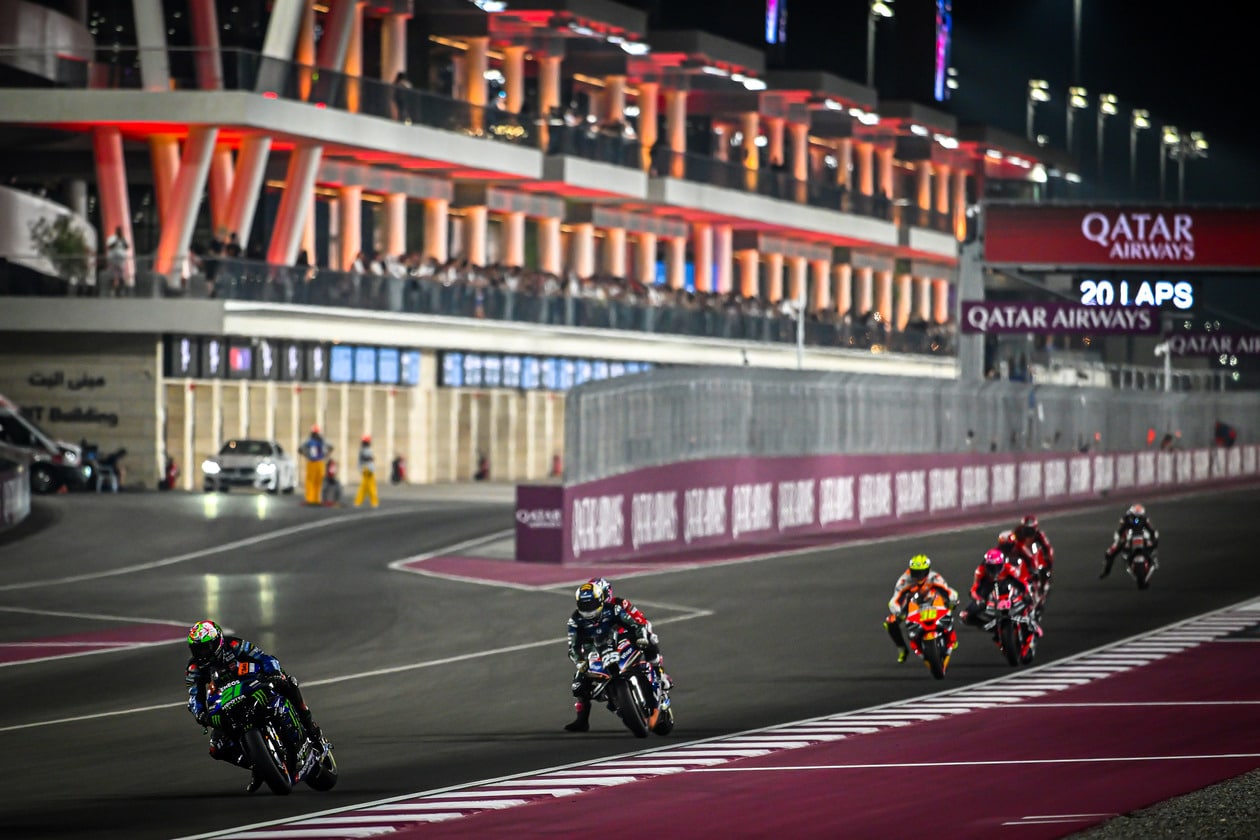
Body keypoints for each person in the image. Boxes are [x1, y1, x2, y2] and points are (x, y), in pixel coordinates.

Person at [184, 620, 324, 792]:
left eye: (206, 647)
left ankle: (311, 728)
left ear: (218, 641)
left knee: (288, 683)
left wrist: (273, 673)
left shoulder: (234, 645)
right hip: (227, 700)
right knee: (216, 747)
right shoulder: (194, 667)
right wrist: (201, 714)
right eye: (197, 649)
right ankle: (257, 765)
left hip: (254, 683)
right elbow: (194, 696)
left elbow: (263, 657)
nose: (202, 653)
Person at [563, 578, 667, 732]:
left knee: (650, 638)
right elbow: (572, 647)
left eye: (591, 604)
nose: (588, 609)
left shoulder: (615, 607)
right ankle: (582, 720)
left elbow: (636, 623)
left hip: (621, 640)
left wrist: (640, 635)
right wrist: (580, 661)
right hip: (595, 650)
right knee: (578, 685)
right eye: (584, 605)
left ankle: (659, 672)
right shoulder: (575, 621)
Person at [884, 554, 959, 663]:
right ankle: (902, 649)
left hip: (933, 601)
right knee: (890, 622)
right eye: (915, 572)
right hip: (912, 604)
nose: (919, 576)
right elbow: (895, 599)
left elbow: (948, 590)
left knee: (951, 606)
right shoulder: (904, 580)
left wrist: (952, 599)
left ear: (927, 570)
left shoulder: (934, 577)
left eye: (922, 572)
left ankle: (951, 635)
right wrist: (897, 610)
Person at [962, 549, 1041, 635]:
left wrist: (1026, 593)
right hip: (988, 588)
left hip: (1006, 588)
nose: (995, 571)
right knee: (965, 616)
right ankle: (991, 627)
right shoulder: (980, 571)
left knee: (1029, 599)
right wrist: (978, 599)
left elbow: (1021, 582)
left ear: (1002, 564)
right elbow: (974, 589)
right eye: (991, 567)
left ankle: (1032, 622)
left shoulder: (1009, 569)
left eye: (997, 567)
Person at [1102, 503, 1160, 579]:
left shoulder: (1145, 519)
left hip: (1142, 538)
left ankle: (1154, 559)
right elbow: (1120, 531)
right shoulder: (1125, 519)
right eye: (1135, 516)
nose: (1137, 519)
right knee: (1110, 553)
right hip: (1127, 539)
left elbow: (1151, 530)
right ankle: (1106, 571)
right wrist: (1118, 538)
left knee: (1153, 545)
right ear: (1131, 513)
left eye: (1139, 516)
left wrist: (1154, 537)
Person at [1012, 514, 1055, 599]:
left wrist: (1048, 559)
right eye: (1026, 530)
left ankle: (1042, 585)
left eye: (1030, 530)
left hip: (1032, 551)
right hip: (1020, 552)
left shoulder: (1039, 535)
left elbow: (1047, 547)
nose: (1028, 533)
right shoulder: (1017, 532)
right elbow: (1011, 543)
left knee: (1042, 567)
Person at [301, 424, 329, 505]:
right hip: (312, 462)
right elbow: (301, 449)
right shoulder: (309, 441)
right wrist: (306, 454)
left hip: (318, 462)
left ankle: (316, 499)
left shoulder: (321, 440)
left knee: (318, 481)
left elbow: (328, 448)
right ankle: (310, 499)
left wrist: (325, 455)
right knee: (311, 481)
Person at [354, 434, 378, 508]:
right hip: (368, 469)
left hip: (365, 469)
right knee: (371, 487)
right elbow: (369, 459)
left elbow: (361, 460)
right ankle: (374, 502)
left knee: (364, 487)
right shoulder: (366, 450)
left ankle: (358, 502)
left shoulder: (362, 449)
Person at [105, 226, 130, 296]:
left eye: (120, 231)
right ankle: (112, 290)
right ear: (116, 231)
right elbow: (109, 246)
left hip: (121, 260)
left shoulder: (123, 239)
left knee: (121, 276)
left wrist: (122, 240)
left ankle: (121, 291)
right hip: (113, 259)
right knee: (112, 275)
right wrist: (116, 240)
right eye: (118, 231)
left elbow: (127, 246)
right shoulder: (112, 238)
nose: (119, 232)